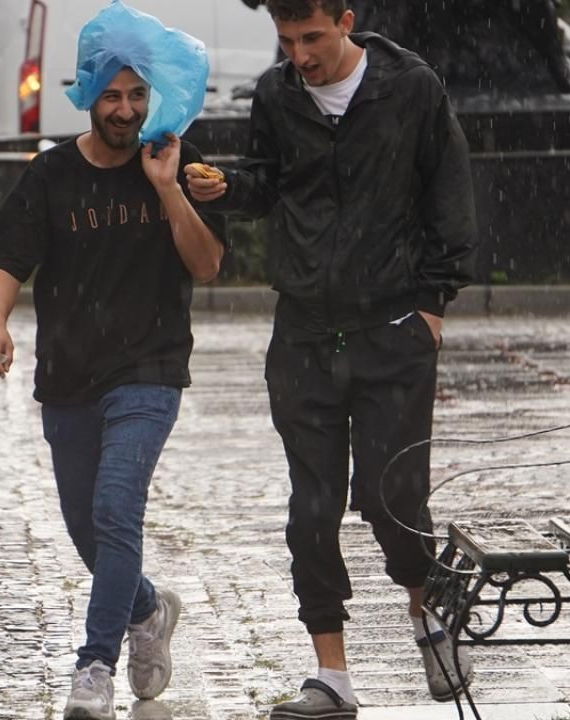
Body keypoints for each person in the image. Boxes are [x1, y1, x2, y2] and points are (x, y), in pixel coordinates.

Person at [185, 0, 477, 717]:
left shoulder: (411, 87)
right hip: (304, 334)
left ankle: (429, 613)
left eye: (312, 37)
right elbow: (268, 183)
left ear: (346, 20)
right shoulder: (277, 92)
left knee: (390, 497)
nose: (301, 56)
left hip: (392, 329)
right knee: (312, 510)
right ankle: (331, 676)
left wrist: (431, 306)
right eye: (287, 40)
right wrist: (227, 189)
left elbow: (449, 193)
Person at [0, 61, 226, 720]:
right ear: (89, 98)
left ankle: (95, 666)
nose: (124, 109)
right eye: (111, 96)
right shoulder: (51, 174)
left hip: (150, 369)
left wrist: (168, 188)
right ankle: (146, 608)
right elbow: (8, 259)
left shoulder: (175, 160)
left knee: (116, 510)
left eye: (137, 95)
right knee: (87, 528)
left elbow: (207, 264)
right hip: (68, 376)